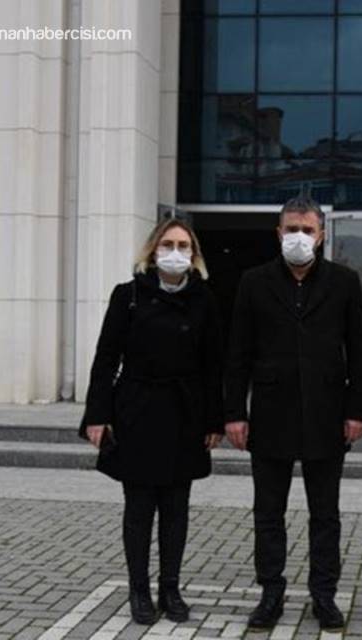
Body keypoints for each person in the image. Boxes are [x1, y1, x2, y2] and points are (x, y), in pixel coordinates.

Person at [223, 195, 362, 631]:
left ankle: (324, 595)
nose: (299, 237)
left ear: (321, 235)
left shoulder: (344, 281)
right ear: (278, 233)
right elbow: (238, 352)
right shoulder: (254, 281)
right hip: (270, 415)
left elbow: (359, 352)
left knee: (325, 514)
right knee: (268, 513)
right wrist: (234, 412)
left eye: (307, 230)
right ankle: (271, 593)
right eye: (292, 229)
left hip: (328, 415)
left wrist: (357, 410)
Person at [79, 219, 224, 626]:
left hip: (185, 414)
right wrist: (97, 415)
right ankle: (139, 590)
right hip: (137, 411)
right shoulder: (127, 295)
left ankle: (170, 588)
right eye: (168, 244)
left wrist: (214, 419)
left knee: (176, 509)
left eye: (183, 245)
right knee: (139, 509)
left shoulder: (204, 300)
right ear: (152, 250)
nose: (175, 252)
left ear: (194, 255)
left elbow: (214, 365)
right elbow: (106, 359)